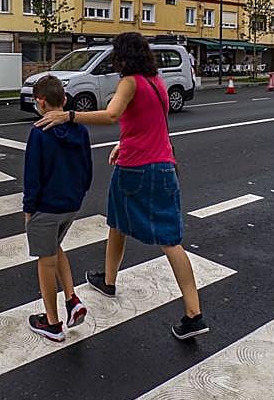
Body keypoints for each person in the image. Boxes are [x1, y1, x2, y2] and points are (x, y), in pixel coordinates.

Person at [35, 32, 209, 340]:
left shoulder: (129, 82)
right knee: (124, 224)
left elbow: (112, 114)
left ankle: (193, 314)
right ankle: (112, 280)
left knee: (153, 235)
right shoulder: (157, 82)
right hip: (164, 165)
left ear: (123, 55)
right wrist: (122, 142)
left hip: (137, 170)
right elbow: (148, 123)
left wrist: (69, 116)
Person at [23, 75, 92, 342]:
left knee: (45, 260)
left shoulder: (39, 132)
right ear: (64, 100)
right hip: (71, 204)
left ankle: (51, 323)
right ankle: (72, 299)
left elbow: (33, 176)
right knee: (55, 246)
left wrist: (29, 209)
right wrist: (79, 193)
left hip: (46, 206)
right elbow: (87, 169)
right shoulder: (80, 129)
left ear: (40, 102)